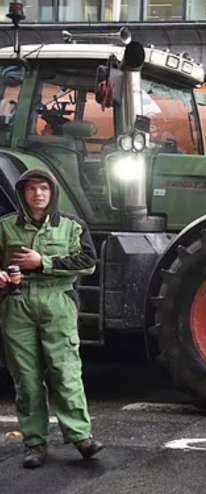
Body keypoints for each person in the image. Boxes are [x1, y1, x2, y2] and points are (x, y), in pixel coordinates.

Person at [0, 169, 103, 469]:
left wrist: (42, 262)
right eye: (31, 188)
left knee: (65, 370)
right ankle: (34, 444)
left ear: (52, 192)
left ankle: (82, 437)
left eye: (43, 188)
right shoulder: (6, 227)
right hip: (18, 304)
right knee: (27, 379)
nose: (38, 194)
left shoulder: (72, 226)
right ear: (22, 193)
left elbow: (88, 262)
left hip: (57, 300)